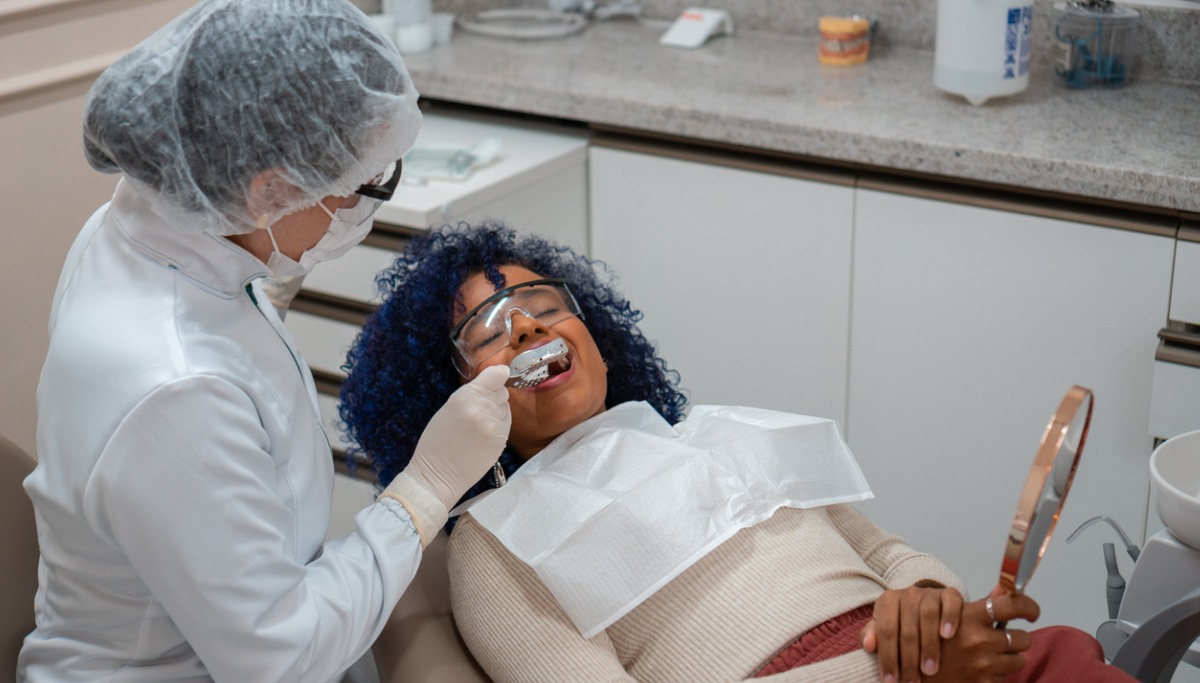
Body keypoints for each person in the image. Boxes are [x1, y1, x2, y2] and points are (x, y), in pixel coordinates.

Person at [340, 226, 1138, 683]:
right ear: (447, 400)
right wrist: (898, 673)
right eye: (489, 330)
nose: (526, 328)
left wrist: (925, 598)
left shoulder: (716, 437)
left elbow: (887, 554)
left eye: (545, 305)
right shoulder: (493, 541)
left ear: (598, 336)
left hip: (922, 662)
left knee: (1064, 656)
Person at [18, 3, 513, 681]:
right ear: (269, 192)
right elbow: (279, 659)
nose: (370, 207)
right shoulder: (175, 385)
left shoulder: (145, 223)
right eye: (365, 184)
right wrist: (423, 491)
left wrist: (259, 287)